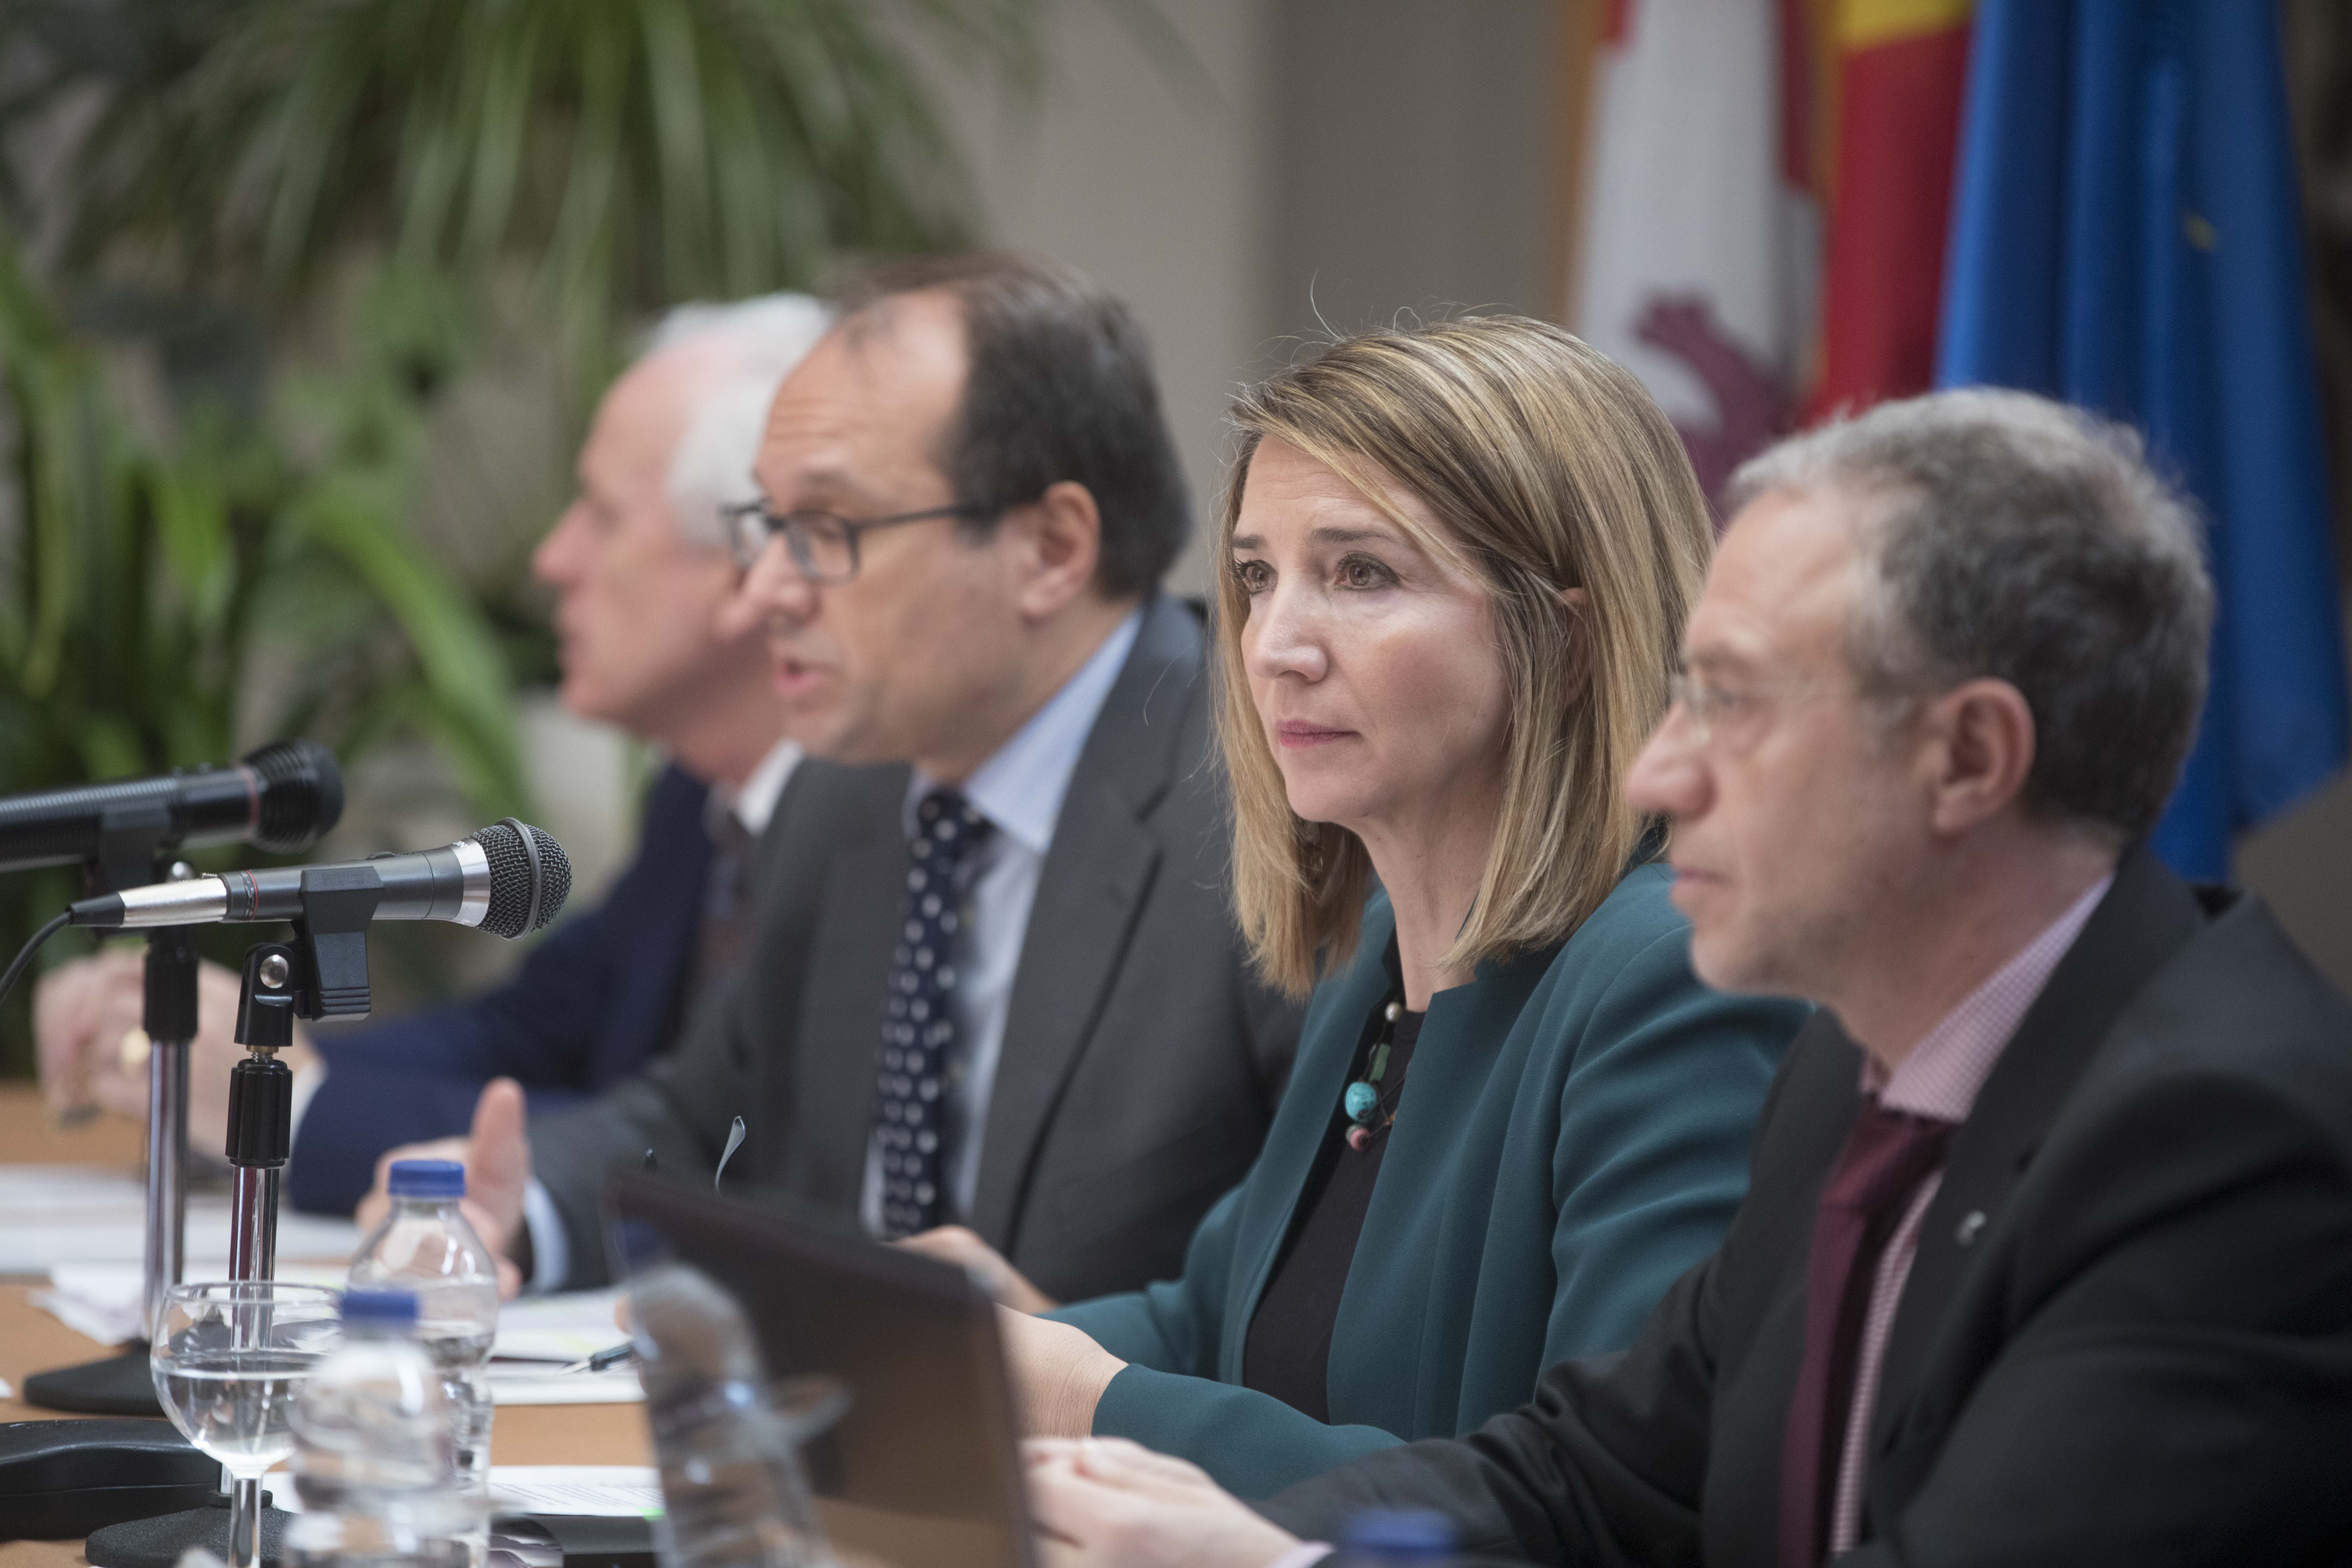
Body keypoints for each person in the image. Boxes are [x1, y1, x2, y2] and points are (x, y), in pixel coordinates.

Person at [1022, 388, 2352, 1567]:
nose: (1660, 769)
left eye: (1730, 702)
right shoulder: (1854, 1073)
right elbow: (1584, 1478)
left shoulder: (2225, 1144)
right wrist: (1256, 1547)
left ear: (1967, 761)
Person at [932, 317, 1803, 1499]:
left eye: (1361, 574)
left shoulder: (1674, 977)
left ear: (1569, 638)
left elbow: (1601, 1500)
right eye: (1257, 577)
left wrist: (1087, 1398)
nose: (1273, 646)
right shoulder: (1387, 962)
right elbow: (1208, 1323)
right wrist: (944, 1337)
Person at [357, 252, 1307, 1303]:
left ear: (1050, 549)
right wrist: (518, 1206)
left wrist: (1058, 1364)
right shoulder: (842, 790)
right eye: (770, 527)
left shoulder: (1275, 812)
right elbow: (704, 1117)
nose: (765, 589)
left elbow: (1296, 1311)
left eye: (827, 530)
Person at [34, 296, 831, 1216]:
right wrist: (239, 1050)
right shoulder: (701, 798)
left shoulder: (874, 839)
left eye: (604, 516)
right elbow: (526, 1036)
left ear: (745, 563)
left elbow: (721, 1158)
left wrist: (298, 1107)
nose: (553, 558)